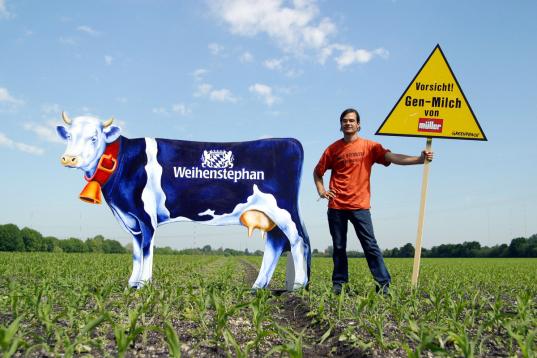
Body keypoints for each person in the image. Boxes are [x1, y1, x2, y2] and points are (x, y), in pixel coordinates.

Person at [313, 108, 433, 295]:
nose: (348, 123)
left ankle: (384, 285)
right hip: (336, 206)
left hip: (360, 206)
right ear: (341, 125)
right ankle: (340, 285)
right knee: (338, 247)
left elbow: (392, 157)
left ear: (358, 124)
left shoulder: (370, 147)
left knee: (370, 245)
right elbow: (317, 172)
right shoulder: (332, 149)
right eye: (345, 121)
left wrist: (418, 159)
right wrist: (322, 191)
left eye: (352, 120)